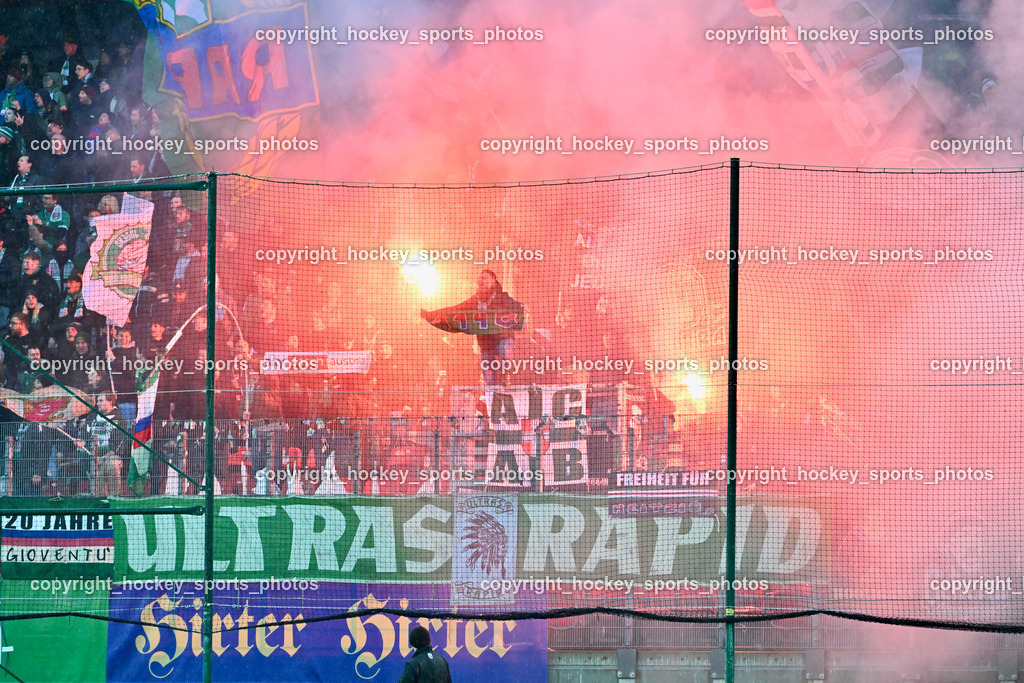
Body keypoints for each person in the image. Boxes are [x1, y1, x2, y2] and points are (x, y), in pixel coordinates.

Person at [421, 269, 524, 386]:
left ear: (493, 282)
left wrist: (522, 310)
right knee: (491, 385)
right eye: (479, 278)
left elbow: (517, 307)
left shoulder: (503, 297)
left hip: (503, 340)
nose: (480, 280)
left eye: (484, 278)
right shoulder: (475, 301)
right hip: (486, 347)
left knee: (505, 349)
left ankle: (506, 375)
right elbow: (455, 309)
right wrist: (432, 315)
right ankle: (495, 394)